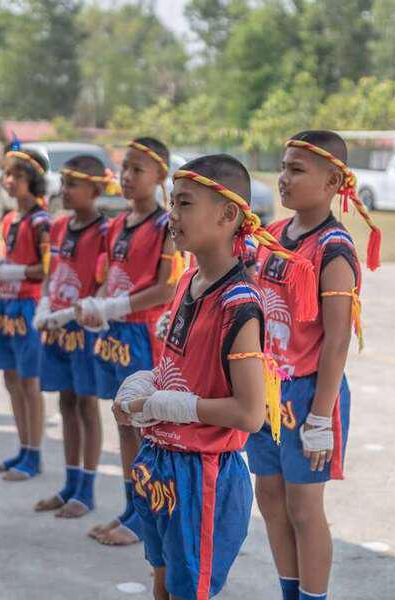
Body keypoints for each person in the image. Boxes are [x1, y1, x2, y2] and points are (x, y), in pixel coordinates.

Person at [115, 153, 313, 600]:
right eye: (172, 202)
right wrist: (146, 384)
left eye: (185, 204)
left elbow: (249, 413)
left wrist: (172, 405)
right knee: (162, 582)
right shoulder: (189, 281)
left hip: (202, 475)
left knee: (188, 591)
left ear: (227, 215)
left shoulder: (238, 303)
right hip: (162, 461)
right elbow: (182, 371)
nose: (172, 214)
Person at [244, 130, 381, 600]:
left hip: (307, 394)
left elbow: (337, 338)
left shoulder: (333, 247)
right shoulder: (274, 235)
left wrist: (321, 416)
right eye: (283, 167)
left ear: (333, 182)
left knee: (304, 508)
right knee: (271, 500)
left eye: (297, 170)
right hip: (266, 392)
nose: (284, 178)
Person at [77, 137, 182, 546]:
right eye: (124, 167)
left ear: (160, 175)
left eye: (138, 169)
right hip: (116, 332)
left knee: (145, 427)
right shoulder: (117, 224)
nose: (127, 176)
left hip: (143, 332)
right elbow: (108, 277)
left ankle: (148, 516)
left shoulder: (165, 226)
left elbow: (166, 287)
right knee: (122, 422)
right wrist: (97, 305)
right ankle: (131, 508)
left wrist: (116, 305)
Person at [33, 155, 117, 518]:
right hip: (56, 327)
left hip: (83, 328)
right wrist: (44, 307)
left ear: (95, 190)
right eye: (63, 183)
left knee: (86, 405)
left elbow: (104, 284)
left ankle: (86, 489)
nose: (64, 191)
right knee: (65, 402)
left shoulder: (106, 232)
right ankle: (69, 482)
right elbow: (52, 274)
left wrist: (73, 313)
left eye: (73, 184)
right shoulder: (58, 227)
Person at [0, 147, 51, 480]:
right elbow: (8, 254)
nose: (9, 181)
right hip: (5, 304)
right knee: (11, 379)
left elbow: (46, 268)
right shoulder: (10, 218)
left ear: (33, 180)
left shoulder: (41, 221)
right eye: (7, 174)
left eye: (18, 175)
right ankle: (23, 448)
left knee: (29, 382)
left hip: (27, 305)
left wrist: (13, 271)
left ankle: (34, 455)